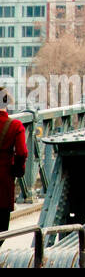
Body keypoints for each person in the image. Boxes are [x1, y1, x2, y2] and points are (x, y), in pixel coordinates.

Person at [0, 88, 29, 233]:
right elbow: (22, 152)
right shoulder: (15, 126)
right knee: (2, 229)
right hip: (3, 181)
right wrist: (17, 170)